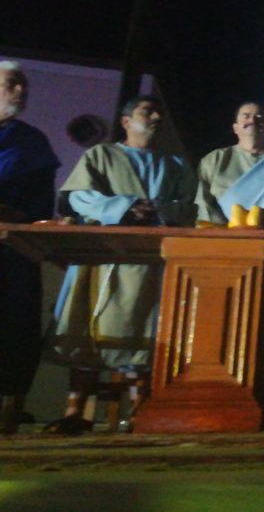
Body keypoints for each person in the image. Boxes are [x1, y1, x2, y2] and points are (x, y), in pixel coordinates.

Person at [46, 95, 196, 433]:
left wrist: (158, 209)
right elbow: (77, 196)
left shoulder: (173, 164)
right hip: (102, 258)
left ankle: (139, 411)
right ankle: (75, 413)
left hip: (149, 262)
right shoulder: (101, 155)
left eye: (158, 110)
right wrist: (124, 206)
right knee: (89, 331)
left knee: (141, 332)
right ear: (126, 122)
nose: (155, 115)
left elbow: (190, 206)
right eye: (146, 111)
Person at [0, 61, 60, 433]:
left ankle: (9, 413)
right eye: (12, 84)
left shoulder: (33, 142)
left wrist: (13, 213)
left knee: (15, 331)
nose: (21, 91)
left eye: (24, 85)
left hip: (12, 252)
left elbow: (41, 206)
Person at [195, 101, 264, 225]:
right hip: (222, 237)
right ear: (235, 128)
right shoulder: (214, 160)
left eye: (259, 117)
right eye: (246, 116)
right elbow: (203, 204)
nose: (252, 120)